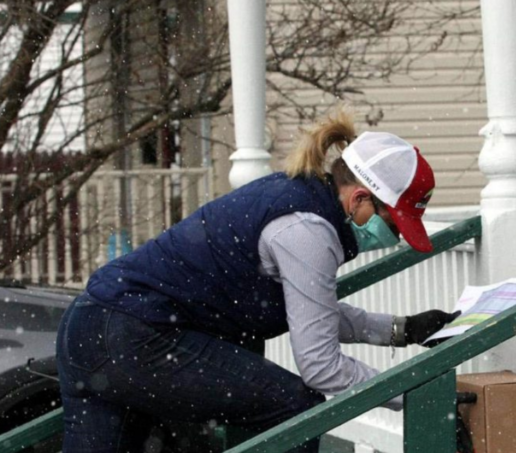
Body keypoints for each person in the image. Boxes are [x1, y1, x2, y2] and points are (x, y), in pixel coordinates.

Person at [56, 109, 458, 453]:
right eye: (394, 222)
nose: (397, 236)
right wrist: (416, 393)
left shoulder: (295, 198)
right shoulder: (308, 232)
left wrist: (397, 330)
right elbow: (321, 368)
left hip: (91, 328)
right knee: (294, 408)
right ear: (359, 199)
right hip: (136, 336)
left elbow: (308, 311)